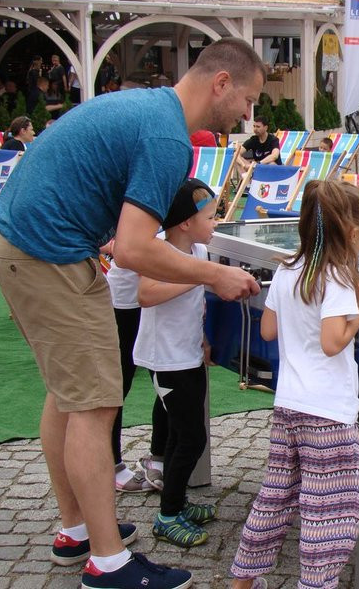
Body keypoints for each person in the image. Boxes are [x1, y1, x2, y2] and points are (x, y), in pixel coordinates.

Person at [0, 37, 265, 589]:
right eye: (249, 99)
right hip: (50, 254)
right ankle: (109, 564)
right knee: (95, 402)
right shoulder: (168, 137)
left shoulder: (149, 107)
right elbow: (136, 248)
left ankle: (77, 531)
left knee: (67, 397)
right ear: (221, 83)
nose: (247, 114)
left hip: (18, 243)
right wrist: (216, 274)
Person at [230, 180, 359, 589]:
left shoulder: (286, 270)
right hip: (328, 412)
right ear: (352, 233)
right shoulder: (338, 279)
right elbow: (333, 343)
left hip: (289, 406)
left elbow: (267, 330)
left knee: (275, 496)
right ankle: (315, 584)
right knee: (329, 509)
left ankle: (242, 580)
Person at [132, 178, 219, 547]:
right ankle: (167, 516)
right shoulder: (160, 252)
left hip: (186, 354)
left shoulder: (198, 252)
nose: (216, 222)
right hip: (165, 359)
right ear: (186, 222)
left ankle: (178, 501)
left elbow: (192, 304)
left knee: (182, 432)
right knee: (191, 438)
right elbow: (146, 294)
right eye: (212, 217)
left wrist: (202, 338)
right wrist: (194, 277)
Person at [99, 241, 168, 494]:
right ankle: (112, 465)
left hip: (159, 296)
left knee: (166, 378)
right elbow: (116, 246)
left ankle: (158, 456)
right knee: (116, 386)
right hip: (125, 302)